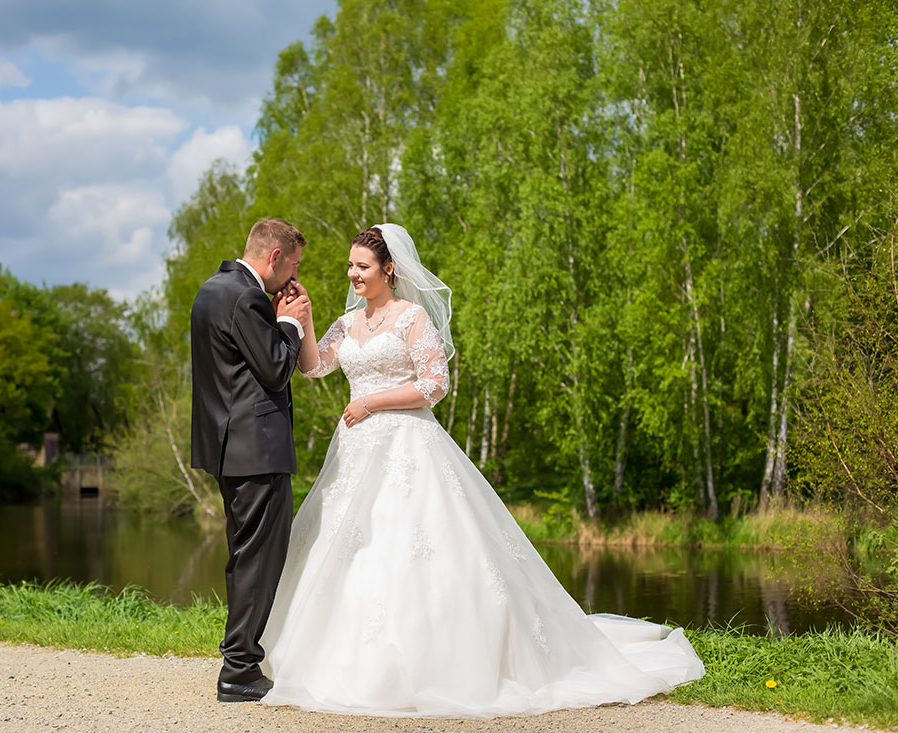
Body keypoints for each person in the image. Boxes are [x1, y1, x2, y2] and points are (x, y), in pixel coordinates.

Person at [258, 223, 705, 717]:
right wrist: (305, 316)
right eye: (350, 265)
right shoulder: (348, 323)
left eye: (362, 266)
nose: (353, 274)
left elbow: (434, 385)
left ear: (390, 268)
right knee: (350, 550)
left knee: (415, 549)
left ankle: (439, 664)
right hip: (355, 453)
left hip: (408, 447)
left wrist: (371, 402)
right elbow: (315, 367)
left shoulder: (411, 319)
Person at [189, 217, 312, 703]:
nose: (294, 278)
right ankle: (239, 671)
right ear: (275, 258)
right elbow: (278, 370)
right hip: (256, 449)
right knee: (259, 560)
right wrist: (291, 321)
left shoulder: (211, 289)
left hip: (228, 447)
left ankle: (237, 662)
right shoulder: (247, 297)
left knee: (245, 557)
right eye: (294, 266)